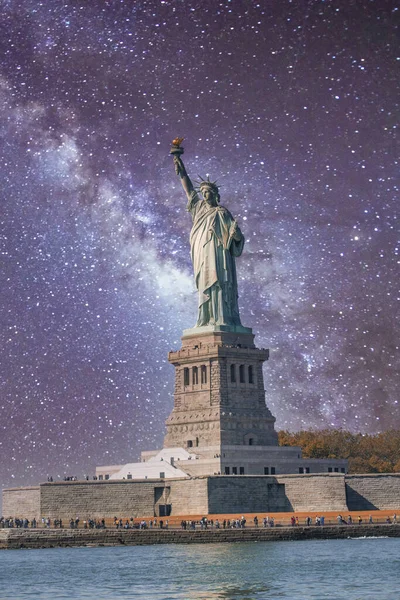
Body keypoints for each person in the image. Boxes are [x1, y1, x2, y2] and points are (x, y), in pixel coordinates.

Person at [173, 151, 245, 328]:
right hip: (202, 252)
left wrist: (235, 235)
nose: (205, 195)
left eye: (208, 192)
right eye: (203, 192)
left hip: (219, 254)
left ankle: (222, 318)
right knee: (205, 282)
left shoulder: (222, 213)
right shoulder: (198, 209)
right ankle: (206, 318)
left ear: (214, 194)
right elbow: (189, 191)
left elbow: (237, 238)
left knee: (219, 282)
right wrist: (182, 172)